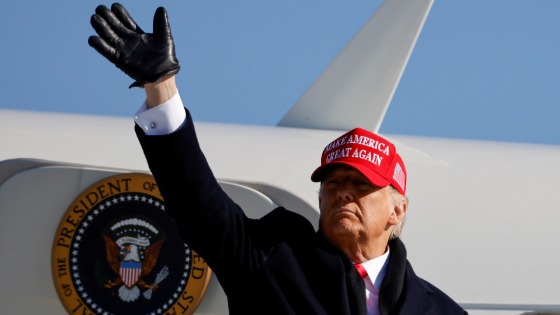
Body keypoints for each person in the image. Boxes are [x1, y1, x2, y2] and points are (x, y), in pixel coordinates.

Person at [89, 3, 467, 314]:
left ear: (397, 211)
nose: (342, 194)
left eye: (361, 184)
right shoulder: (272, 257)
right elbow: (198, 205)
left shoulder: (443, 311)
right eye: (332, 183)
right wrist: (161, 86)